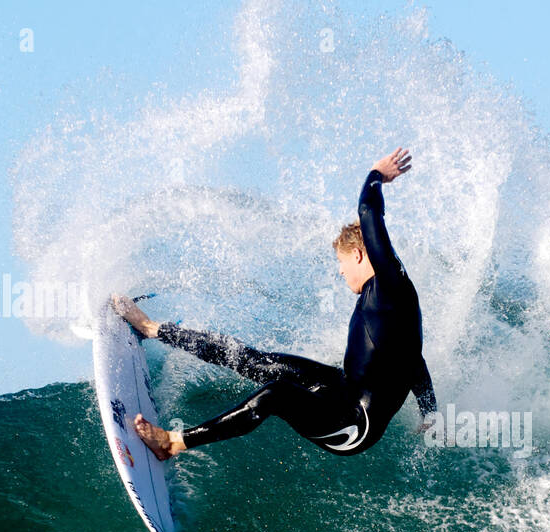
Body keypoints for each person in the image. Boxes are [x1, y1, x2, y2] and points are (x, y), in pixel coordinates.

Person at [113, 147, 436, 460]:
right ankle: (153, 328)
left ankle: (173, 443)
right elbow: (412, 360)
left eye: (341, 262)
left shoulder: (388, 281)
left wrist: (376, 174)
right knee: (257, 360)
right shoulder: (391, 299)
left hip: (354, 424)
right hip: (342, 390)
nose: (340, 271)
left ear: (358, 254)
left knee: (276, 393)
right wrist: (430, 412)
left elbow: (368, 210)